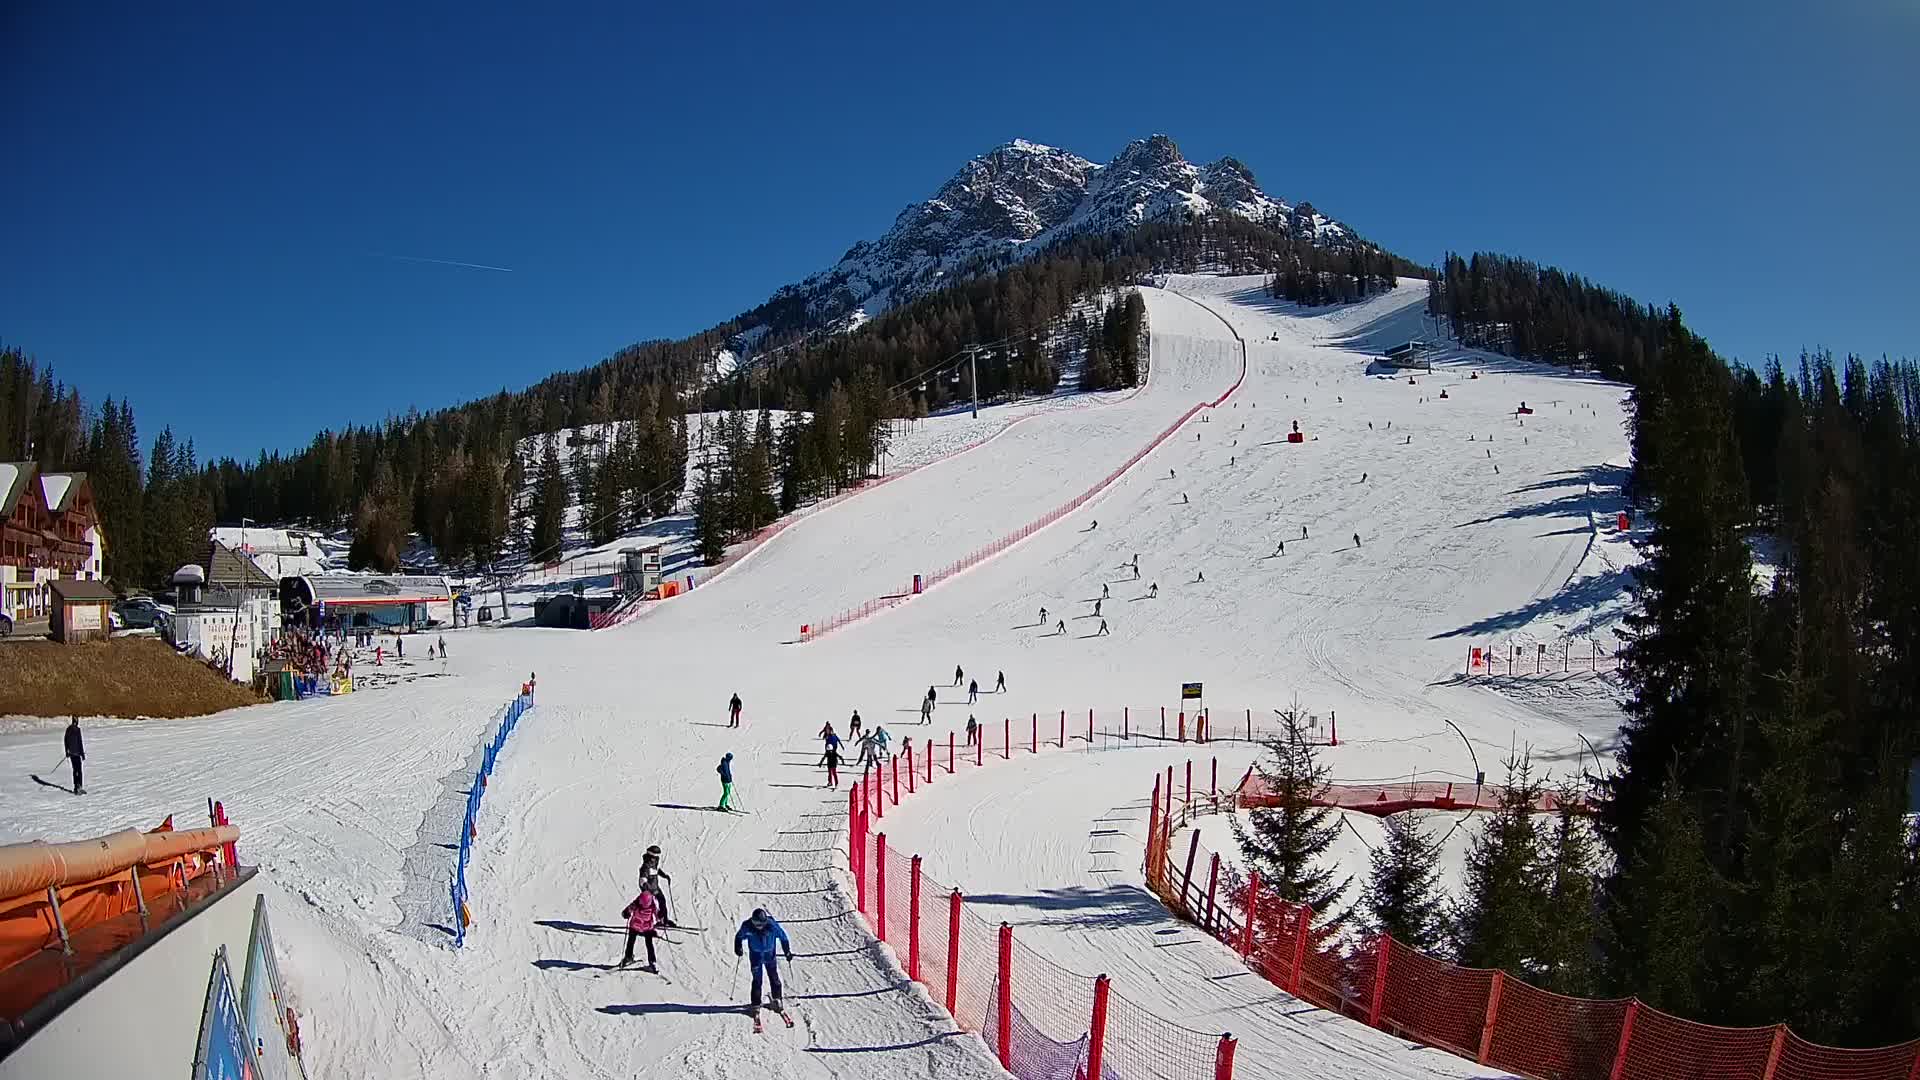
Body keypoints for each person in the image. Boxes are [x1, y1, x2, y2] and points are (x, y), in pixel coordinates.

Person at [735, 908, 793, 1025]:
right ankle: (756, 1004)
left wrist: (787, 951)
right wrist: (738, 947)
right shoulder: (747, 926)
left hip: (769, 955)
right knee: (757, 980)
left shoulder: (772, 926)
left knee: (774, 977)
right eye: (756, 923)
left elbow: (783, 937)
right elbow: (739, 937)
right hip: (755, 956)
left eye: (761, 924)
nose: (758, 926)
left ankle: (777, 999)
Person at [620, 889, 661, 972]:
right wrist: (660, 919)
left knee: (631, 941)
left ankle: (628, 957)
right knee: (649, 944)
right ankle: (652, 962)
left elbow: (627, 910)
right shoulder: (653, 904)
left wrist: (626, 914)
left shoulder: (637, 903)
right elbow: (657, 913)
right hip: (647, 927)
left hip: (635, 926)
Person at [638, 845, 674, 926]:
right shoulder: (646, 866)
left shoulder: (654, 863)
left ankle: (663, 920)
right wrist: (646, 887)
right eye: (655, 856)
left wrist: (665, 876)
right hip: (649, 890)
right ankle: (646, 924)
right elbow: (642, 880)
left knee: (662, 902)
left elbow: (657, 870)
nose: (656, 858)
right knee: (651, 907)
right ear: (651, 856)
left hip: (655, 888)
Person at [64, 716, 85, 795]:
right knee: (78, 771)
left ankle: (77, 787)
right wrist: (82, 754)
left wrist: (67, 751)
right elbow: (80, 742)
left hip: (73, 753)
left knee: (76, 771)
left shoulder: (69, 729)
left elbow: (65, 741)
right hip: (75, 753)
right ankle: (78, 787)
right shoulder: (76, 730)